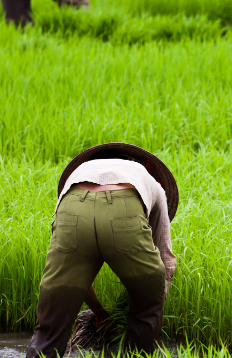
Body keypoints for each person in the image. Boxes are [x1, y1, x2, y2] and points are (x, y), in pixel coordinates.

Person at [26, 143, 178, 358]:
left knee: (51, 325)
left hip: (73, 207)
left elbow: (76, 279)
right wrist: (153, 296)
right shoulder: (147, 179)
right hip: (126, 209)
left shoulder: (79, 177)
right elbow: (165, 260)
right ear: (140, 164)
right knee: (147, 308)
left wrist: (99, 312)